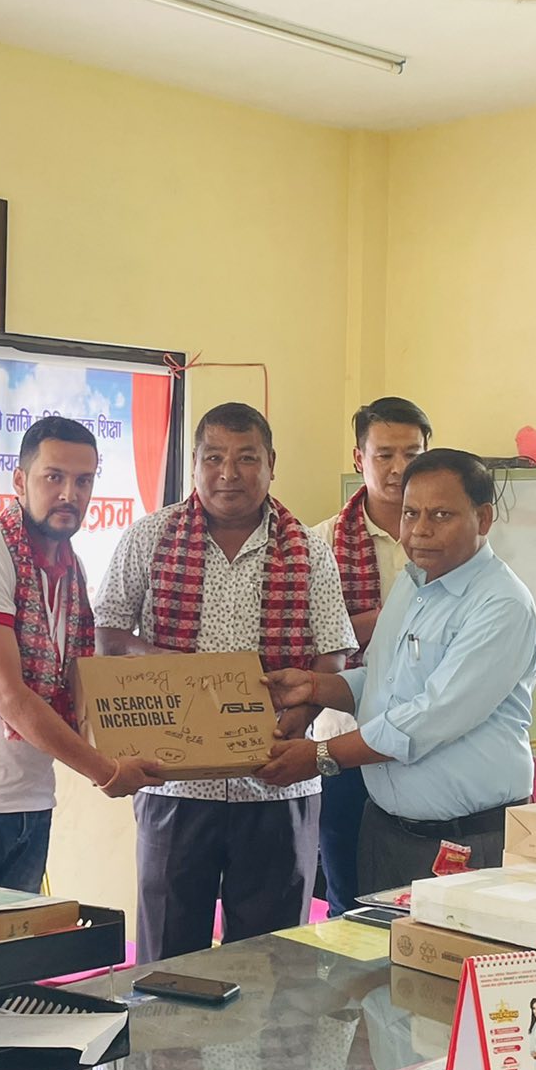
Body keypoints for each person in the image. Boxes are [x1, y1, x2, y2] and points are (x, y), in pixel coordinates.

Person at [94, 402, 356, 965]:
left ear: (271, 465)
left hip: (279, 781)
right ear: (193, 465)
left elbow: (331, 653)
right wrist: (180, 673)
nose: (228, 474)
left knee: (271, 962)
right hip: (174, 783)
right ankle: (164, 1057)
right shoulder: (149, 537)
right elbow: (110, 636)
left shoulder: (309, 549)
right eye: (213, 458)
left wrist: (293, 728)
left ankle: (267, 1059)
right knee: (168, 956)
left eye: (246, 459)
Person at [263, 449, 536, 892]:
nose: (419, 530)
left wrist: (320, 756)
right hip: (387, 831)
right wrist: (315, 686)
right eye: (411, 513)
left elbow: (429, 717)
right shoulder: (412, 584)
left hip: (466, 842)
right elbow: (381, 683)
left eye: (441, 514)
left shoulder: (500, 603)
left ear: (484, 519)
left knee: (454, 961)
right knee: (379, 957)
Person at [0, 416, 162, 892]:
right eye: (53, 477)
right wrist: (106, 770)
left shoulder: (67, 565)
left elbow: (74, 677)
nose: (69, 494)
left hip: (32, 795)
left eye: (83, 481)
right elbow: (7, 694)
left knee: (17, 958)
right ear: (19, 481)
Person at [311, 396, 432, 914]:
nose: (399, 467)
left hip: (427, 738)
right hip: (343, 741)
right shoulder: (319, 542)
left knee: (428, 904)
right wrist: (391, 623)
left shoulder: (444, 536)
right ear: (360, 458)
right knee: (349, 900)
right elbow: (313, 644)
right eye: (384, 454)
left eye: (411, 452)